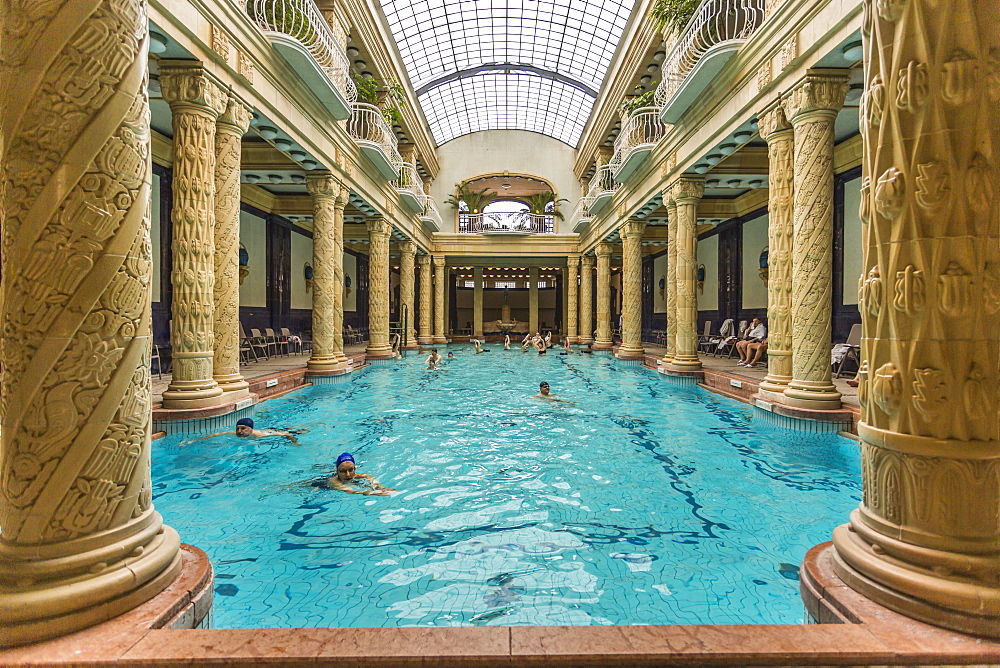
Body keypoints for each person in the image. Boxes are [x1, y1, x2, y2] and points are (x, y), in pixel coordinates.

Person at [320, 453, 396, 496]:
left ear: (355, 469)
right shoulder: (334, 481)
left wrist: (382, 489)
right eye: (343, 471)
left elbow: (375, 483)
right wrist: (373, 493)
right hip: (322, 484)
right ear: (337, 471)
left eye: (350, 470)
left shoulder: (362, 475)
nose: (348, 474)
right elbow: (351, 491)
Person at [191, 417, 301, 445]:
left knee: (297, 431)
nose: (239, 431)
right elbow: (216, 434)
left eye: (243, 428)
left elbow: (285, 434)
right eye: (238, 428)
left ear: (251, 429)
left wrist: (295, 442)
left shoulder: (260, 436)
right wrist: (194, 440)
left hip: (271, 431)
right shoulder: (233, 433)